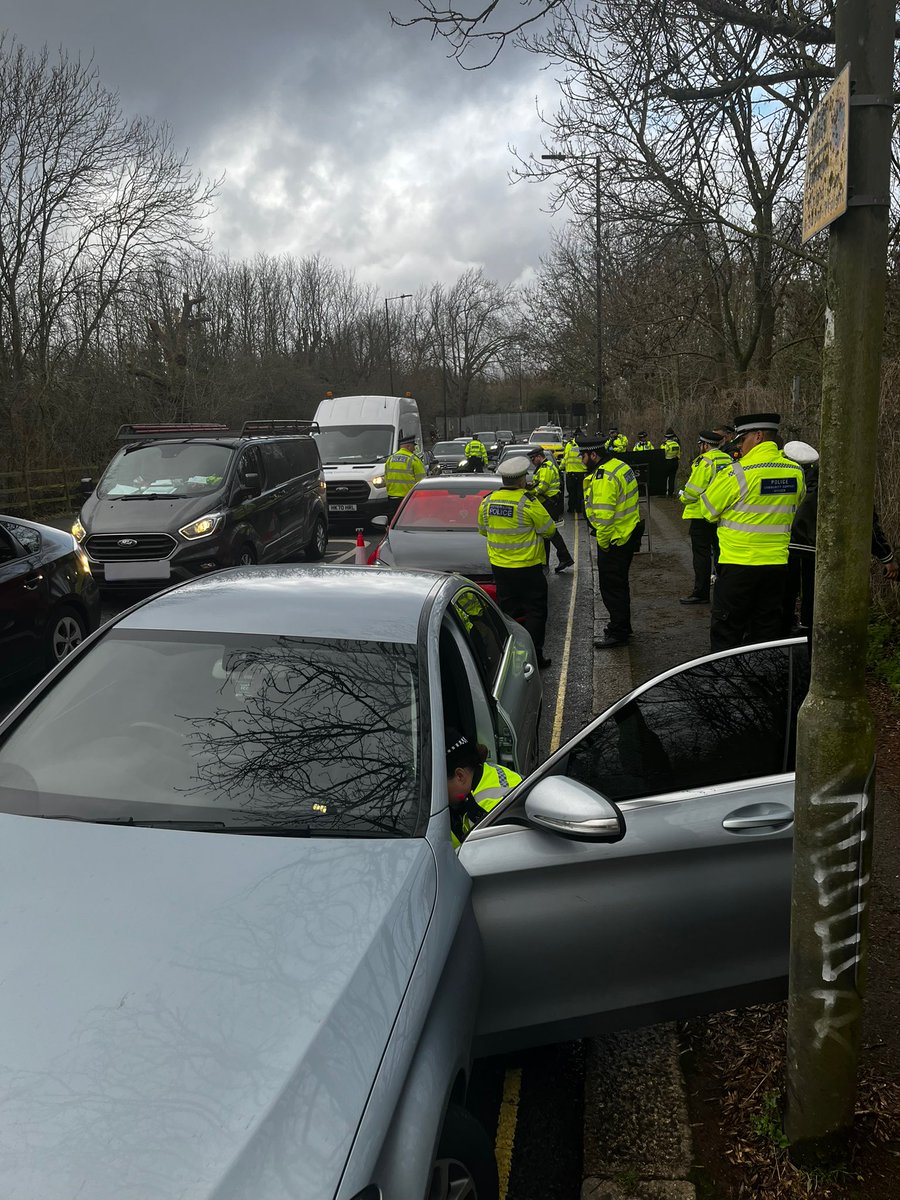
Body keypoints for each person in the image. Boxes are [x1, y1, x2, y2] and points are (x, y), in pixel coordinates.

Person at [699, 412, 806, 651]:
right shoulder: (795, 472)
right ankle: (760, 683)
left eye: (741, 440)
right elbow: (795, 505)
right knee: (766, 631)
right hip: (777, 567)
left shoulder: (736, 473)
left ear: (757, 436)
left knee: (727, 632)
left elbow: (707, 511)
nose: (739, 446)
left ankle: (726, 683)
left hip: (738, 566)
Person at [781, 439, 899, 635]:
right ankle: (812, 645)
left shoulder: (797, 482)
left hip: (787, 547)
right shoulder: (850, 481)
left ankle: (782, 643)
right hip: (819, 550)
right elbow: (868, 524)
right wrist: (886, 557)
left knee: (786, 596)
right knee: (814, 601)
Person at [477, 456, 556, 668]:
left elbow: (483, 530)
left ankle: (512, 656)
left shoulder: (488, 501)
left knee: (508, 612)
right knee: (535, 612)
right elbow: (549, 530)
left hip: (501, 569)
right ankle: (534, 657)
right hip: (528, 568)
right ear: (521, 480)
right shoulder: (528, 501)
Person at [579, 434, 644, 648]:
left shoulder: (603, 478)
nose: (581, 460)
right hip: (628, 533)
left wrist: (603, 545)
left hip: (614, 540)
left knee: (612, 588)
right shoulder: (620, 466)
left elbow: (604, 520)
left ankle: (618, 632)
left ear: (594, 455)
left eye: (583, 456)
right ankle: (623, 625)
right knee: (620, 585)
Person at [678, 430, 732, 605]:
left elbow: (693, 490)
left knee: (701, 556)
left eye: (700, 445)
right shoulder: (728, 459)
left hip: (701, 515)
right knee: (720, 553)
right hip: (722, 514)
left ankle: (701, 593)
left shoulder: (705, 461)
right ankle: (722, 590)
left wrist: (683, 496)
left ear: (705, 445)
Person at [445, 729, 523, 848]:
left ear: (460, 776)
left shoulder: (486, 812)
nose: (440, 795)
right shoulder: (487, 770)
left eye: (442, 786)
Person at [527, 446, 574, 573]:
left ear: (538, 457)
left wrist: (530, 494)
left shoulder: (546, 468)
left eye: (533, 459)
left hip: (549, 503)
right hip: (548, 503)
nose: (532, 461)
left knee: (550, 533)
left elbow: (543, 487)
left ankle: (562, 559)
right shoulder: (543, 468)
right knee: (547, 533)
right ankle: (548, 561)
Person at [383, 431, 425, 516]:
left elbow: (386, 477)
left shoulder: (390, 459)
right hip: (409, 498)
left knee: (394, 521)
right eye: (413, 446)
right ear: (408, 446)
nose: (414, 449)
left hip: (392, 497)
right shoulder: (414, 460)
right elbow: (422, 481)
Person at [563, 427, 587, 514]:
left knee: (571, 492)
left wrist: (562, 467)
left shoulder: (569, 445)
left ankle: (571, 508)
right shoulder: (584, 445)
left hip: (570, 473)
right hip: (581, 473)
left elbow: (565, 458)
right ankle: (579, 509)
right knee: (580, 492)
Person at [660, 429, 681, 496]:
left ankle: (663, 493)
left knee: (664, 477)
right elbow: (679, 454)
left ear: (666, 437)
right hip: (675, 462)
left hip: (666, 462)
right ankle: (670, 493)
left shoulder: (665, 445)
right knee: (672, 478)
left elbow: (662, 455)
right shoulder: (676, 444)